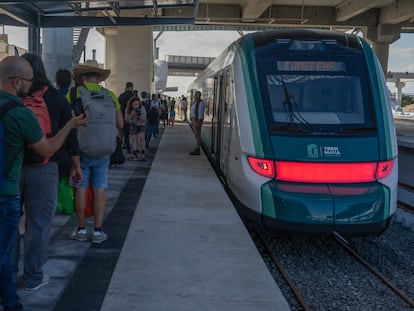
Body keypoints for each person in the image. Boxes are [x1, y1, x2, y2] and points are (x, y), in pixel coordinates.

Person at [0, 56, 87, 311]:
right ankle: (33, 278)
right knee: (38, 225)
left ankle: (10, 275)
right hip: (39, 171)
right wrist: (76, 164)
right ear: (17, 81)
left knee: (11, 232)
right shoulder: (42, 103)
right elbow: (54, 145)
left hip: (11, 174)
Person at [68, 59, 123, 244]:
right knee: (100, 188)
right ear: (99, 78)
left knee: (81, 189)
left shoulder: (74, 94)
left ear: (83, 77)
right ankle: (98, 231)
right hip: (104, 151)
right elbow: (121, 124)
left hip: (82, 149)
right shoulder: (111, 95)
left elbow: (67, 120)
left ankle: (81, 230)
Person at [125, 96, 147, 161]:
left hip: (141, 124)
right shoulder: (128, 109)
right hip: (133, 123)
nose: (136, 106)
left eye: (138, 104)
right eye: (135, 104)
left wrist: (139, 115)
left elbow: (145, 119)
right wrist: (131, 115)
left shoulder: (142, 108)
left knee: (141, 137)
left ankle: (142, 153)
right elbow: (126, 120)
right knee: (133, 138)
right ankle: (134, 154)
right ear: (131, 104)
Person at [118, 82, 134, 153]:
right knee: (131, 133)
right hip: (130, 116)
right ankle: (129, 148)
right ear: (131, 87)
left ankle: (120, 146)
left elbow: (117, 105)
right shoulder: (132, 95)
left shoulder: (121, 95)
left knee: (122, 132)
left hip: (121, 115)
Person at [189, 91, 205, 155]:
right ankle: (197, 147)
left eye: (197, 95)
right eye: (195, 95)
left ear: (200, 96)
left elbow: (200, 114)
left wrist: (197, 122)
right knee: (196, 135)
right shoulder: (195, 103)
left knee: (198, 135)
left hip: (197, 121)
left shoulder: (200, 103)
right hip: (194, 120)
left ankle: (198, 149)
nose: (196, 96)